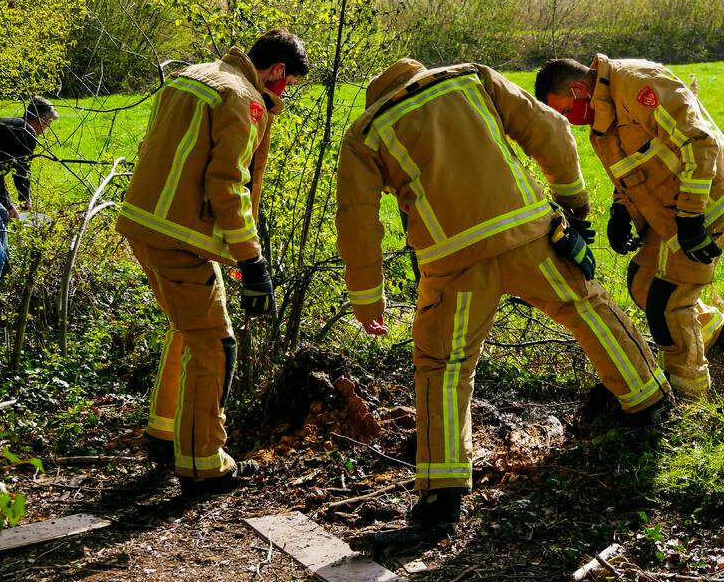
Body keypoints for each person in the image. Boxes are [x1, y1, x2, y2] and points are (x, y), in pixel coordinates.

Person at [336, 58, 672, 530]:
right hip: (526, 232)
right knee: (585, 306)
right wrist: (574, 205)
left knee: (443, 365)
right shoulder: (470, 78)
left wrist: (368, 299)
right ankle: (649, 401)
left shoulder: (364, 133)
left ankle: (442, 494)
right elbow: (550, 131)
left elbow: (356, 220)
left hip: (452, 259)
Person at [115, 29, 309, 494]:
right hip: (180, 237)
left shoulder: (193, 76)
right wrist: (252, 262)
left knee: (187, 329)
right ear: (277, 71)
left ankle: (165, 433)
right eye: (288, 84)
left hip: (144, 224)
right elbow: (227, 185)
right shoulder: (244, 98)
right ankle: (204, 463)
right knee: (214, 344)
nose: (284, 94)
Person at [535, 56, 724, 400]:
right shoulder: (602, 115)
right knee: (644, 283)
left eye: (565, 110)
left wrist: (691, 218)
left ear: (578, 89)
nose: (570, 120)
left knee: (668, 302)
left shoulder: (637, 84)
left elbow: (699, 142)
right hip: (672, 212)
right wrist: (621, 212)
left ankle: (691, 399)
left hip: (709, 202)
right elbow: (632, 167)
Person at [0, 97, 58, 226]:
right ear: (43, 120)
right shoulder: (26, 133)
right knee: (0, 219)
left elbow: (18, 170)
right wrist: (8, 205)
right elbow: (3, 174)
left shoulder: (15, 126)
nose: (48, 127)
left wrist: (24, 198)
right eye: (49, 122)